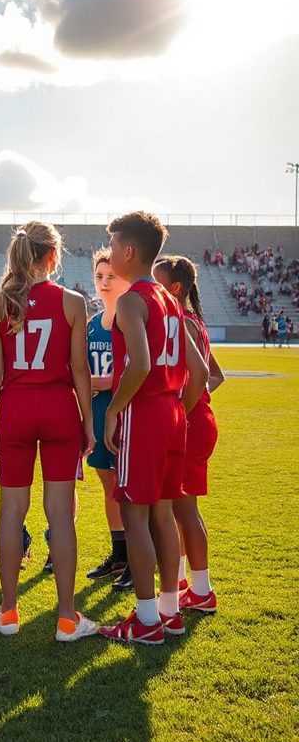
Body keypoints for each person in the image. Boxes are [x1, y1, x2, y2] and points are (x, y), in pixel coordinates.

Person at [0, 221, 97, 642]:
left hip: (15, 409)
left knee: (11, 512)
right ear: (52, 256)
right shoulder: (71, 301)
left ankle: (8, 612)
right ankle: (67, 618)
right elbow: (79, 369)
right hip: (58, 409)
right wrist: (87, 421)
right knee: (60, 515)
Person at [98, 212, 208, 646]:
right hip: (172, 414)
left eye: (111, 246)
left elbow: (140, 364)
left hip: (143, 414)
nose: (108, 254)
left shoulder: (131, 300)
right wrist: (174, 410)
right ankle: (169, 610)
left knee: (134, 515)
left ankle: (145, 620)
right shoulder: (169, 299)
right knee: (163, 513)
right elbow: (197, 373)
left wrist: (113, 412)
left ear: (128, 251)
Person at [154, 256, 224, 613]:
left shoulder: (181, 321)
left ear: (175, 288)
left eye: (157, 281)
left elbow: (200, 376)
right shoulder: (190, 320)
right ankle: (186, 583)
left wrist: (182, 409)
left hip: (191, 426)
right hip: (198, 421)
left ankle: (201, 590)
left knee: (184, 510)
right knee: (181, 510)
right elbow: (218, 375)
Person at [85, 248, 133, 590]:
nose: (104, 282)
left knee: (126, 487)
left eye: (111, 276)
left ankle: (134, 557)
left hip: (124, 413)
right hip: (98, 414)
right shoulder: (92, 324)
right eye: (100, 276)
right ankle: (118, 553)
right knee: (107, 482)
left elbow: (137, 368)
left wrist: (99, 382)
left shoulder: (129, 317)